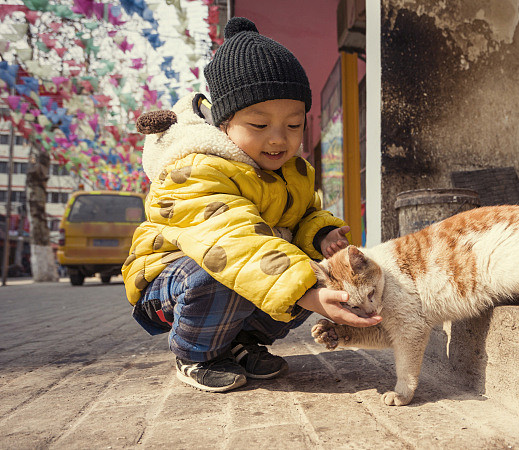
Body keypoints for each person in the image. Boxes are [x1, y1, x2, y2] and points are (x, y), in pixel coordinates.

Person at [122, 17, 381, 393]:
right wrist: (307, 293)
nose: (278, 139)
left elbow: (305, 213)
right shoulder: (194, 169)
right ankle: (195, 354)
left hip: (240, 261)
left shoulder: (292, 172)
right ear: (223, 124)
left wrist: (321, 234)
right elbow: (232, 242)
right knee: (233, 275)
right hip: (171, 279)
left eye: (293, 125)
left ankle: (238, 343)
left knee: (306, 269)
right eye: (259, 125)